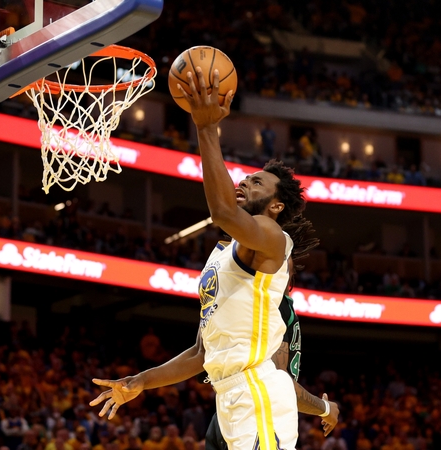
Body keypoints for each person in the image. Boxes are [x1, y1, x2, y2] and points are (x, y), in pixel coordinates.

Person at [91, 67, 311, 450]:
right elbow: (199, 353)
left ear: (276, 205)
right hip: (227, 394)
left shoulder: (273, 237)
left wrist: (207, 128)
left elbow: (224, 213)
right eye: (244, 178)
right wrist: (141, 381)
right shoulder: (221, 254)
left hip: (258, 389)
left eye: (256, 182)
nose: (243, 182)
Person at [205, 215, 339, 450]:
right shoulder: (273, 305)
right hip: (251, 406)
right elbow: (276, 378)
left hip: (234, 408)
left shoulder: (274, 305)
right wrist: (326, 408)